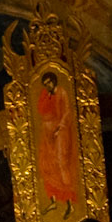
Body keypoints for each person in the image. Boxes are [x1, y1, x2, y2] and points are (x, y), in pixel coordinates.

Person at [36, 66, 80, 209]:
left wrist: (59, 128)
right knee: (47, 163)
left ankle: (69, 199)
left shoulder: (61, 92)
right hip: (48, 133)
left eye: (49, 82)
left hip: (61, 131)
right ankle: (53, 199)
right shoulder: (46, 95)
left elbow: (67, 111)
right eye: (45, 83)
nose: (48, 85)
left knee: (61, 161)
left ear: (54, 81)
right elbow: (40, 110)